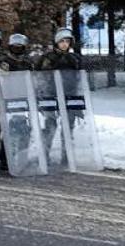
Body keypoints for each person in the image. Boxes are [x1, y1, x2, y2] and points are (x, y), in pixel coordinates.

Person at [35, 28, 81, 164]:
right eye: (62, 41)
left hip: (69, 96)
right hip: (50, 95)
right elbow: (39, 76)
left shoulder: (74, 58)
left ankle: (66, 155)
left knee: (68, 126)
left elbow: (79, 77)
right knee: (50, 125)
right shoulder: (48, 58)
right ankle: (44, 154)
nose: (64, 44)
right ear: (56, 42)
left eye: (67, 41)